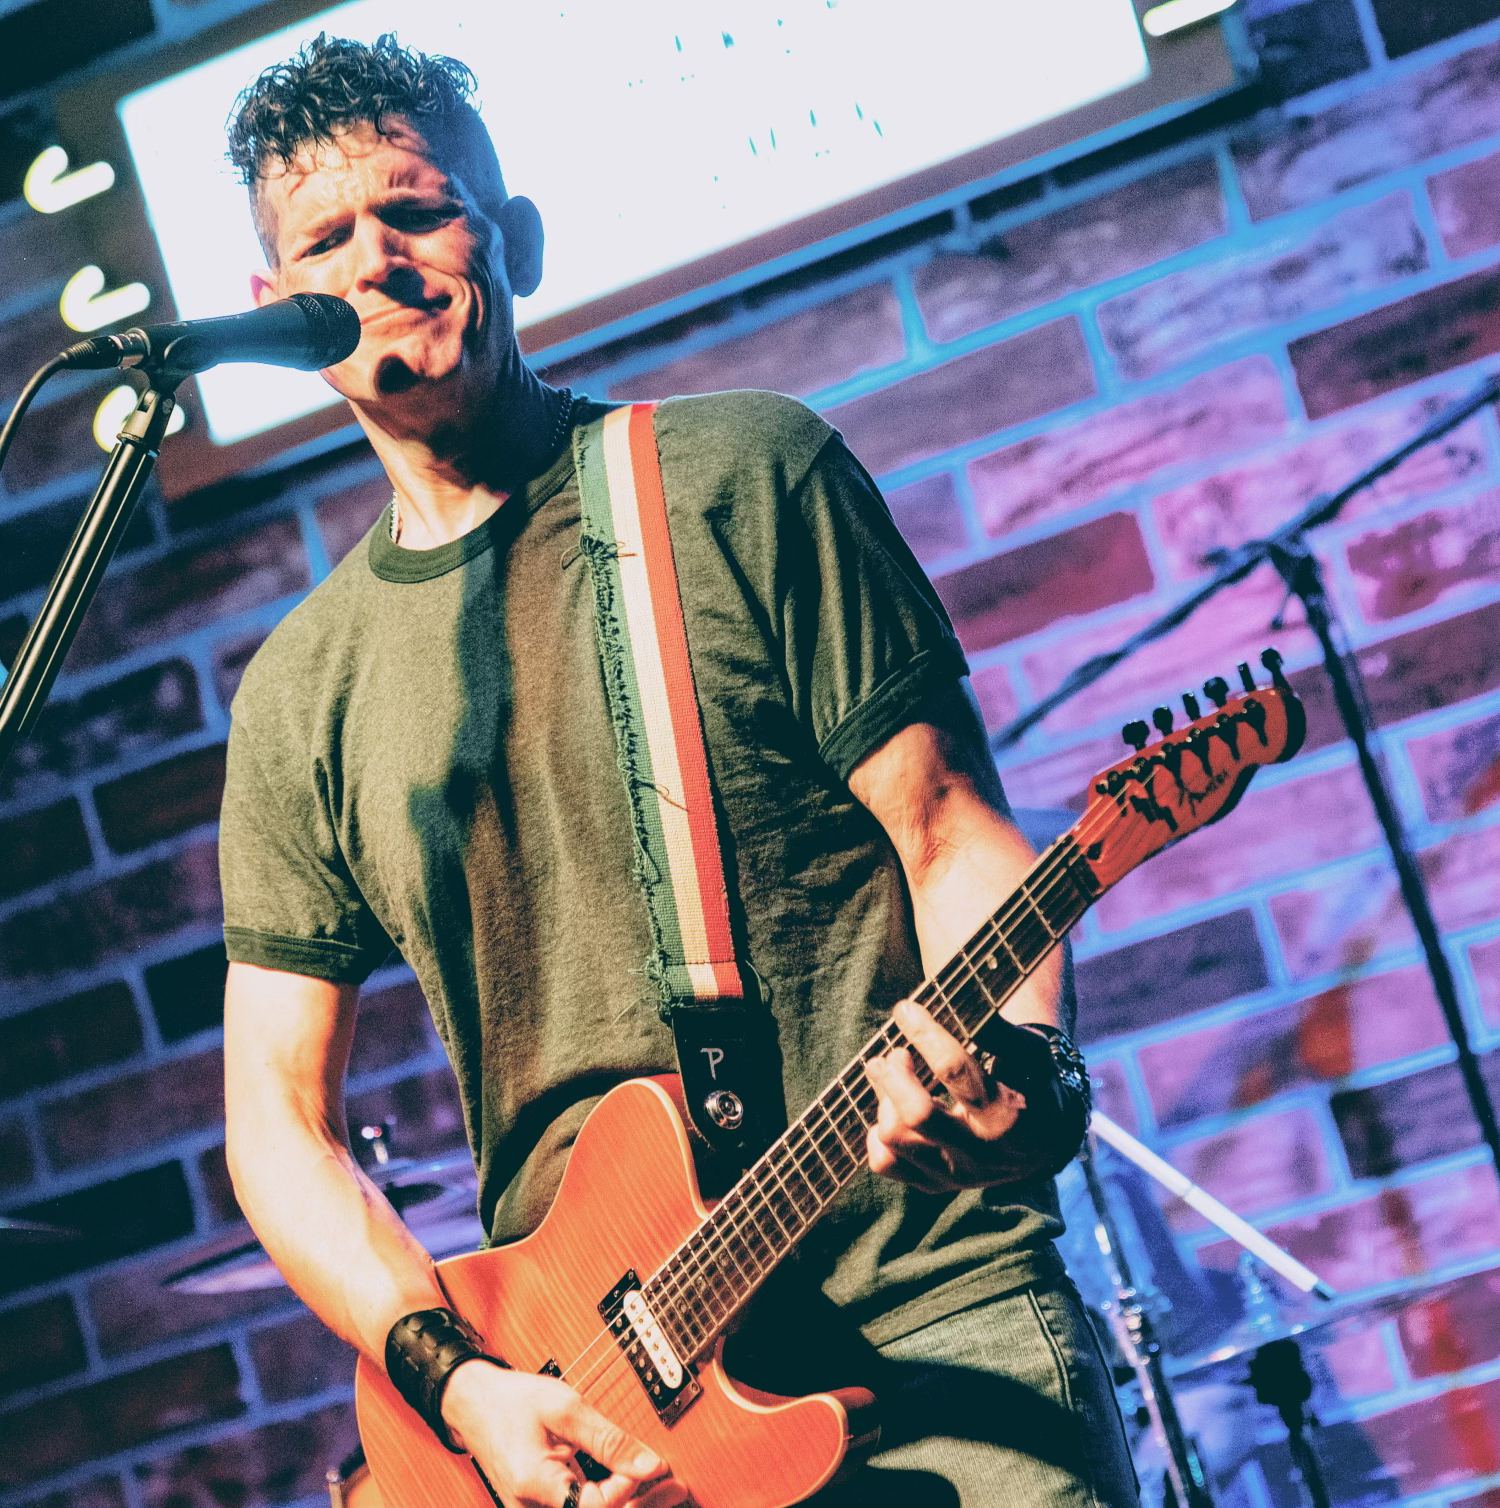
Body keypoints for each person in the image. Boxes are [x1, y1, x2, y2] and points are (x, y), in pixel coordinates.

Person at [217, 33, 1136, 1508]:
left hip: (929, 1326)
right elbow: (276, 1112)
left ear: (508, 237)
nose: (377, 260)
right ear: (276, 316)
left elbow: (952, 832)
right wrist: (458, 1384)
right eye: (328, 241)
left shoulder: (742, 477)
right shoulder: (298, 698)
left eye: (417, 211)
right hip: (609, 1421)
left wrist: (1010, 1066)